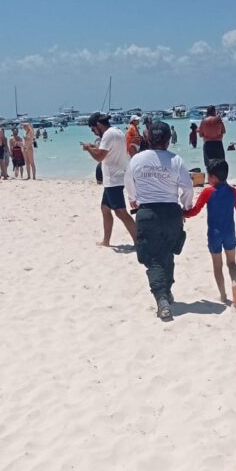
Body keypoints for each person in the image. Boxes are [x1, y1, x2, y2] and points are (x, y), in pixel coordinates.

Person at [124, 120, 193, 321]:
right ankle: (166, 291)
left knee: (153, 258)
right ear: (169, 140)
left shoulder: (137, 160)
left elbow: (128, 182)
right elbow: (187, 187)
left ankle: (161, 297)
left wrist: (133, 198)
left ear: (148, 138)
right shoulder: (176, 160)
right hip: (171, 212)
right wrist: (186, 206)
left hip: (147, 212)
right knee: (167, 252)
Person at [184, 159, 236, 305]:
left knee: (217, 266)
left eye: (208, 176)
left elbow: (195, 211)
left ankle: (223, 295)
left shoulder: (208, 192)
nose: (207, 178)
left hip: (214, 234)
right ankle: (234, 283)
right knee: (232, 262)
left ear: (214, 178)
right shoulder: (233, 192)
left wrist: (183, 213)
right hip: (229, 232)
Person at [82, 112, 136, 246]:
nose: (94, 132)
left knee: (121, 212)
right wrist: (94, 147)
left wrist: (88, 148)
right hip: (115, 177)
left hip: (114, 179)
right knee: (105, 208)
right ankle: (106, 241)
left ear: (98, 125)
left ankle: (139, 241)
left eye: (93, 129)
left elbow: (99, 157)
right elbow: (108, 151)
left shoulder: (107, 135)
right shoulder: (117, 132)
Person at [198, 105, 226, 170]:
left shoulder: (203, 121)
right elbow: (224, 131)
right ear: (214, 111)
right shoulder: (218, 120)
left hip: (208, 144)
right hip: (218, 144)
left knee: (209, 165)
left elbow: (200, 135)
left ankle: (211, 176)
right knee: (221, 164)